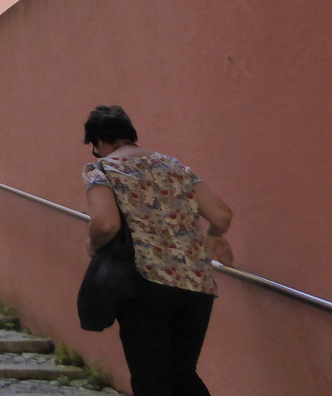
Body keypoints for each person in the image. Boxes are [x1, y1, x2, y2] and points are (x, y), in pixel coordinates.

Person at [82, 105, 234, 396]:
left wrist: (93, 244)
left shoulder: (102, 170)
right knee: (181, 373)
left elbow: (105, 225)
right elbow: (221, 216)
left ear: (99, 142)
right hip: (197, 284)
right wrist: (214, 236)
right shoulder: (173, 166)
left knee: (151, 378)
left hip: (146, 283)